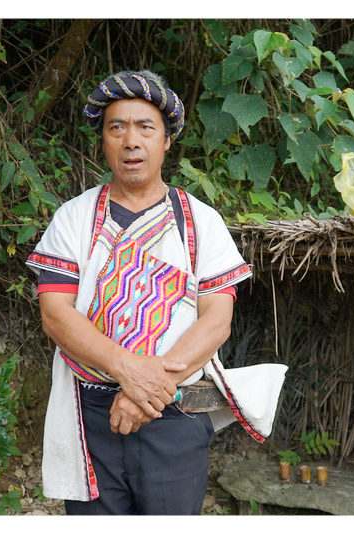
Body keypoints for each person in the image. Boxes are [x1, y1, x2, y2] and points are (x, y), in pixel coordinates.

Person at [26, 70, 286, 515]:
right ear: (103, 141)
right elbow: (55, 314)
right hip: (90, 413)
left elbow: (216, 320)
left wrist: (149, 388)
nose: (131, 141)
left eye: (146, 128)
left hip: (175, 416)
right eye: (117, 127)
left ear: (166, 141)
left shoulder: (201, 222)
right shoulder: (74, 219)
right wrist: (128, 372)